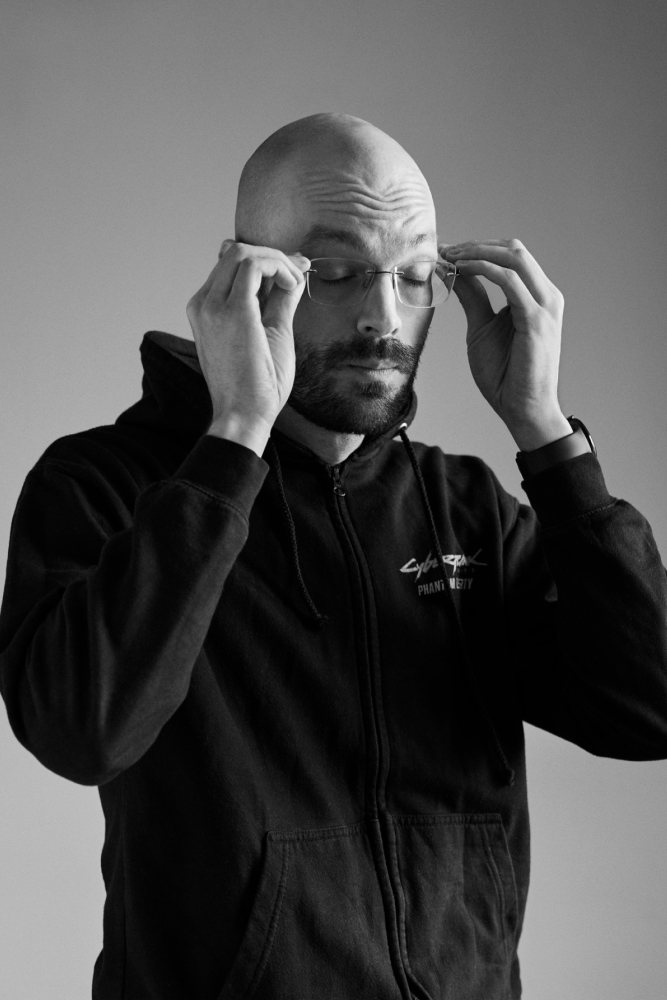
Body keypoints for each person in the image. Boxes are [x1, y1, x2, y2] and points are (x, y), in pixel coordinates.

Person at [1, 112, 666, 1000]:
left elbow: (649, 712)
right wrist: (236, 433)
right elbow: (82, 732)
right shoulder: (107, 486)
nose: (383, 317)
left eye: (414, 276)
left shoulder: (466, 508)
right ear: (246, 277)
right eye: (338, 272)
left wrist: (547, 437)